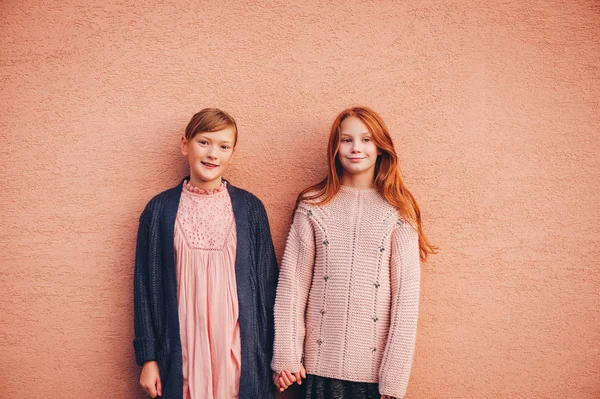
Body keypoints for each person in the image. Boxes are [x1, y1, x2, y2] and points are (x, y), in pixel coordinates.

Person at [272, 106, 437, 399]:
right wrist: (286, 355)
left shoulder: (399, 211)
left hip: (372, 379)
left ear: (381, 147)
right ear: (335, 147)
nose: (356, 148)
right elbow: (292, 285)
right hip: (315, 371)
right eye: (346, 140)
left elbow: (405, 302)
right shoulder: (313, 205)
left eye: (366, 139)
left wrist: (394, 379)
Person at [133, 108, 278, 398]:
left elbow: (268, 288)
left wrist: (275, 358)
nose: (213, 153)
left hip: (237, 354)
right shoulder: (159, 211)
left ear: (232, 154)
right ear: (184, 144)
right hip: (182, 352)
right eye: (204, 142)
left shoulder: (251, 210)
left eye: (224, 146)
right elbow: (145, 290)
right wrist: (148, 358)